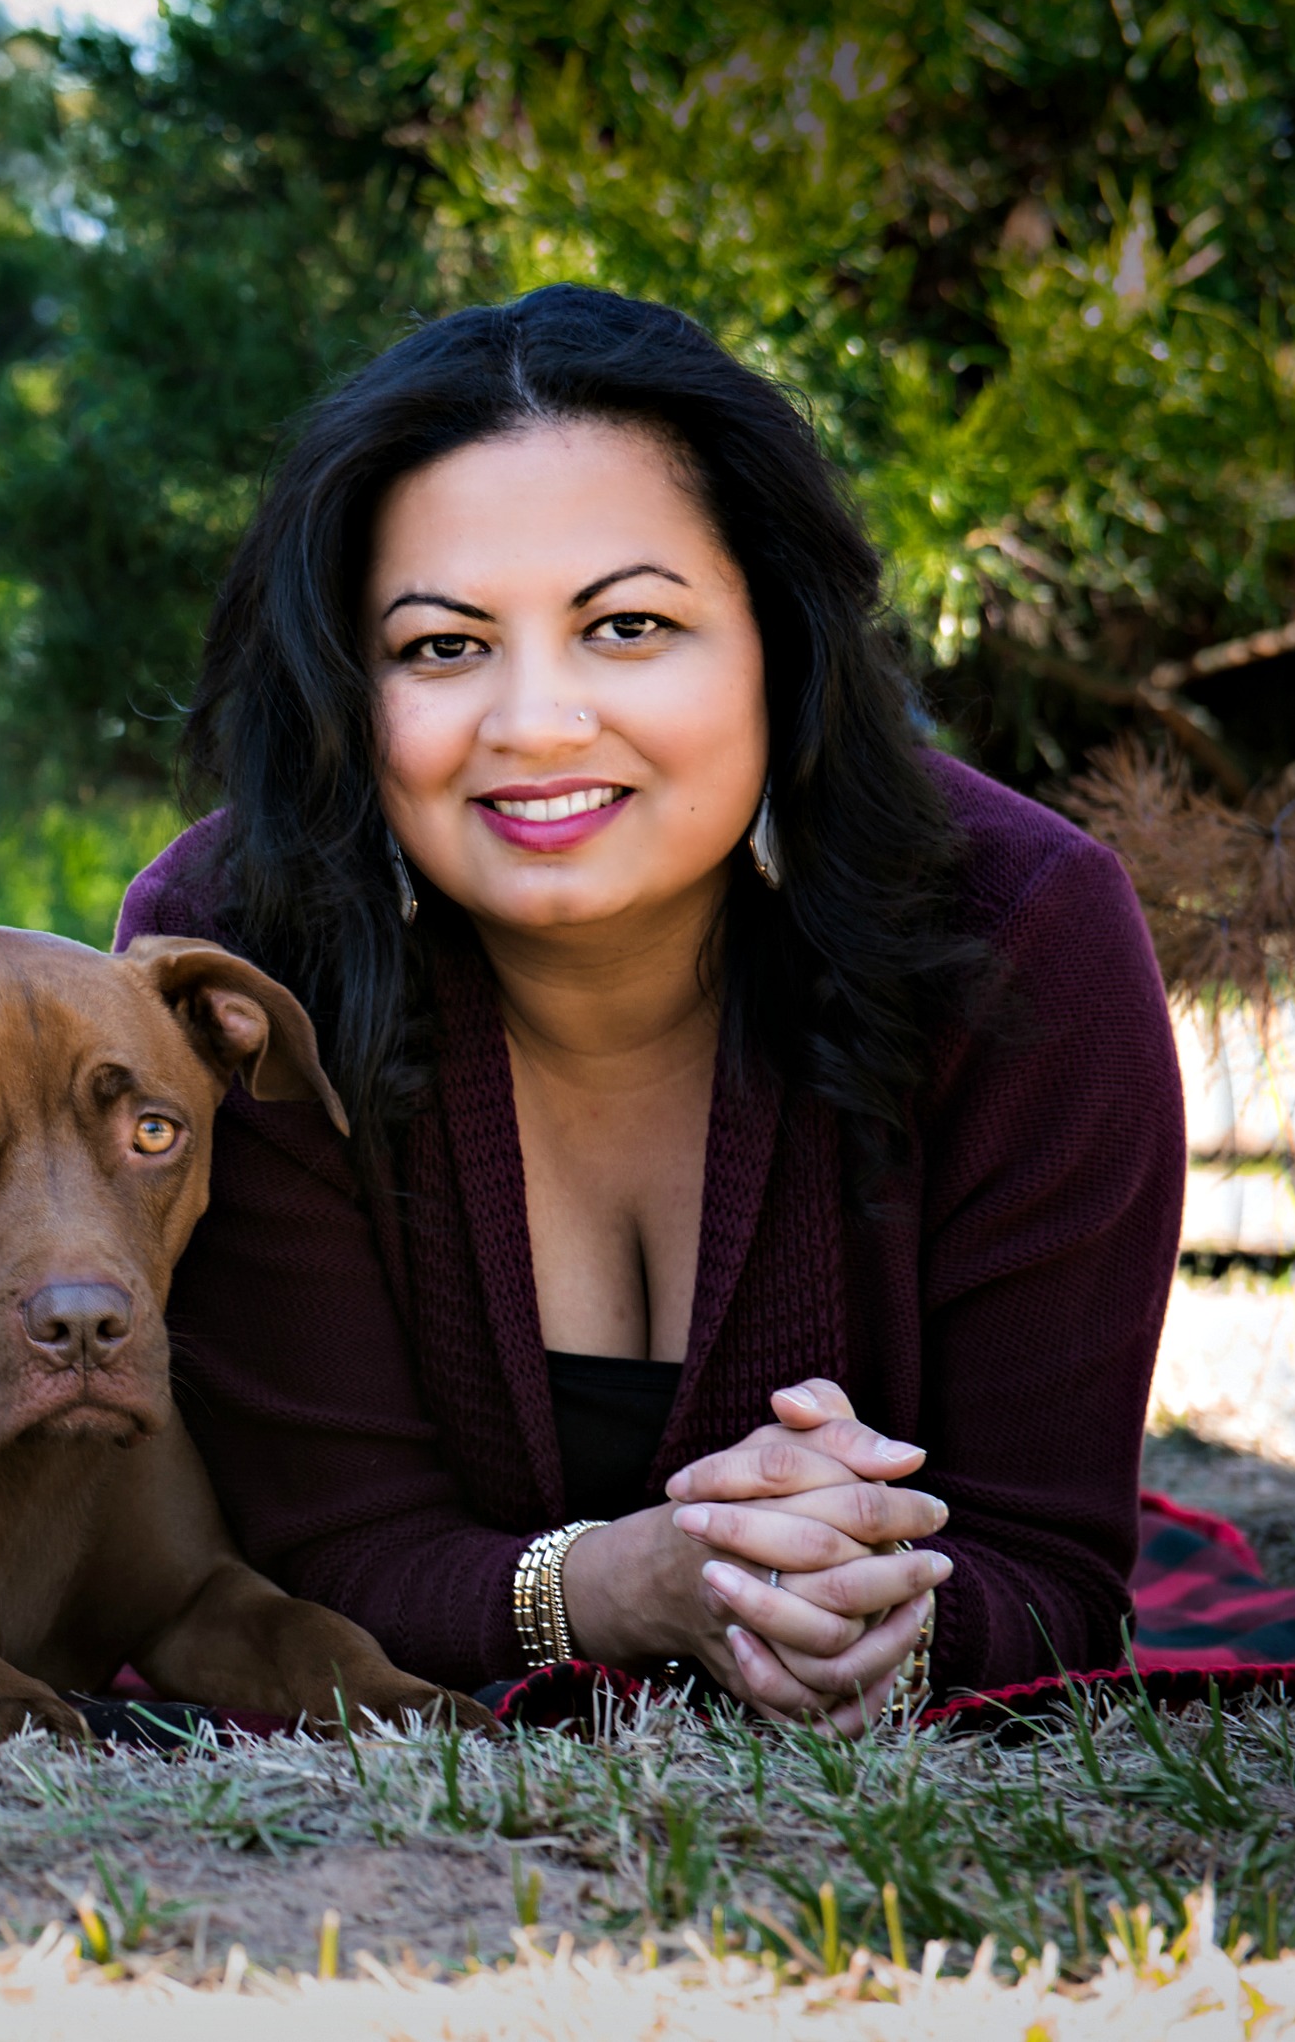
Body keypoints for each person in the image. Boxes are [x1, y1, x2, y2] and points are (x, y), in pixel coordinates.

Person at [117, 284, 1182, 1729]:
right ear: (347, 694)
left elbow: (1054, 1566)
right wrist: (623, 1584)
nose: (538, 722)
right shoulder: (238, 957)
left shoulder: (1021, 937)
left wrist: (873, 1611)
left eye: (627, 624)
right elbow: (316, 1551)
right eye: (442, 645)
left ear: (778, 640)